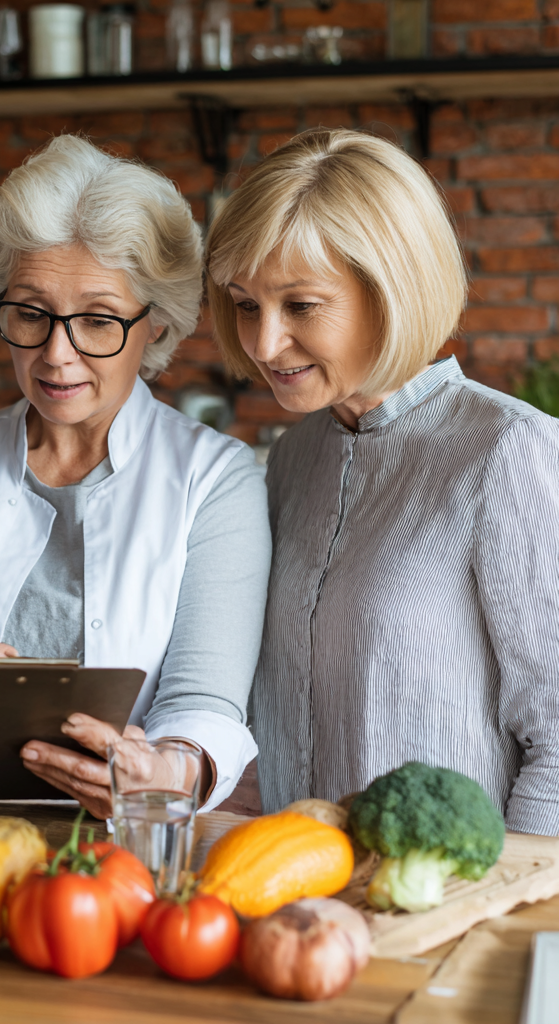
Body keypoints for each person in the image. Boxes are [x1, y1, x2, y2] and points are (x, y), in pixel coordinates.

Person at [0, 135, 272, 817]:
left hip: (133, 845)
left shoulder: (215, 479)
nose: (57, 356)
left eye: (96, 321)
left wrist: (164, 769)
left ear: (155, 326)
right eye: (30, 313)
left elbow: (204, 703)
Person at [205, 128, 559, 835]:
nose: (264, 343)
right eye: (246, 304)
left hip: (447, 913)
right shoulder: (293, 457)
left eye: (301, 306)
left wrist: (500, 912)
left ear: (390, 289)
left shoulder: (508, 451)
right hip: (298, 906)